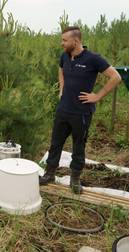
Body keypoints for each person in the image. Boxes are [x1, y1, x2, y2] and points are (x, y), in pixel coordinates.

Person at [39, 26, 122, 193]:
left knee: (78, 146)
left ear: (75, 41)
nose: (61, 43)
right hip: (63, 109)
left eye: (64, 40)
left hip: (81, 113)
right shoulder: (65, 56)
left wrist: (98, 96)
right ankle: (49, 173)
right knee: (56, 143)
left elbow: (116, 77)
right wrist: (62, 88)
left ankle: (75, 179)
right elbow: (61, 70)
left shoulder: (93, 59)